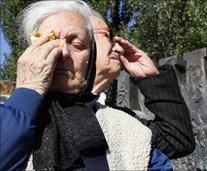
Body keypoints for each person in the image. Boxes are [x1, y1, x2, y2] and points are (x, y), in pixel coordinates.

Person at [0, 1, 195, 170]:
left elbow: (175, 139)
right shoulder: (10, 114)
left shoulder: (122, 126)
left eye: (76, 44)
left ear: (90, 57)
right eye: (48, 42)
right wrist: (28, 88)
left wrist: (152, 79)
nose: (63, 53)